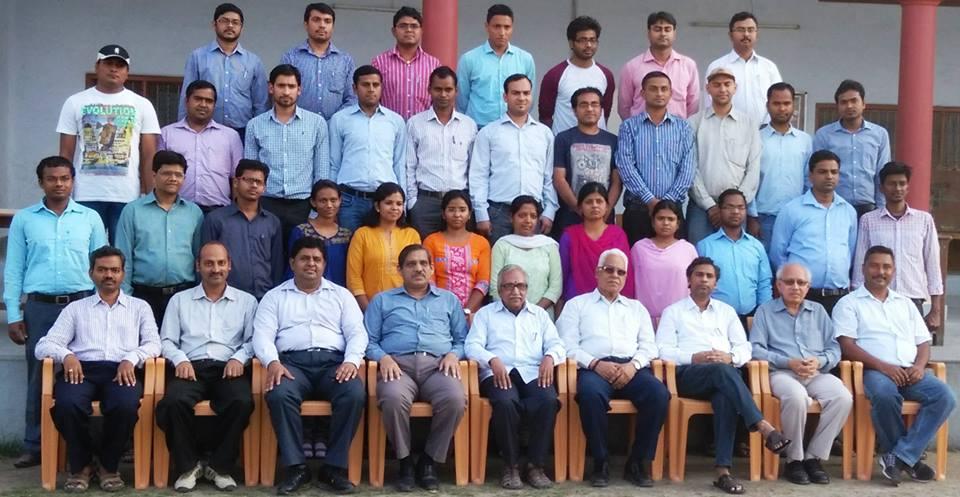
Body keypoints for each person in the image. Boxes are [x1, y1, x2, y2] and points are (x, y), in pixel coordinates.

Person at [3, 156, 107, 469]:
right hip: (40, 307)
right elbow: (14, 269)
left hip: (83, 304)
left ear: (73, 181)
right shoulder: (25, 220)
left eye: (64, 178)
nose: (59, 184)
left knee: (89, 370)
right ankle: (34, 445)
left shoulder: (90, 218)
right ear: (41, 182)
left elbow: (103, 265)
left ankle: (90, 445)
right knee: (39, 376)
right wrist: (14, 314)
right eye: (52, 178)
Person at [656, 257, 791, 495]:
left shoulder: (726, 312)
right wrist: (694, 357)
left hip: (725, 376)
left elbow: (744, 348)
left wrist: (730, 357)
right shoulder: (673, 312)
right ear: (689, 280)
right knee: (723, 373)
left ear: (715, 283)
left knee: (725, 394)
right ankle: (763, 426)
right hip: (689, 376)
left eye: (709, 276)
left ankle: (723, 472)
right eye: (699, 275)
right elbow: (662, 350)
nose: (704, 280)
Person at [34, 246, 161, 493]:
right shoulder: (76, 309)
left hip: (122, 370)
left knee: (125, 405)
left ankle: (108, 466)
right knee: (67, 404)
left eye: (114, 270)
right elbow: (44, 345)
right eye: (102, 270)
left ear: (123, 273)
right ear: (91, 273)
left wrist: (132, 358)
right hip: (81, 370)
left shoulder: (139, 307)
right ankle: (82, 466)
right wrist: (67, 355)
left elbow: (154, 344)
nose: (109, 275)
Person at [253, 237, 367, 495]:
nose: (311, 264)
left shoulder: (341, 295)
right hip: (292, 365)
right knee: (279, 394)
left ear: (325, 264)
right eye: (305, 258)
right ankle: (296, 468)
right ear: (292, 262)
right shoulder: (275, 297)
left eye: (317, 259)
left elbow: (357, 333)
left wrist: (351, 361)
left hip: (334, 364)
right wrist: (272, 362)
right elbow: (262, 336)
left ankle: (334, 468)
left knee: (353, 393)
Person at [835, 245, 957, 485]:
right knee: (885, 395)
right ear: (863, 268)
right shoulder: (849, 303)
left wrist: (919, 366)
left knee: (945, 397)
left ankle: (899, 457)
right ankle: (909, 459)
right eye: (875, 266)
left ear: (893, 271)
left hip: (910, 371)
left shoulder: (905, 303)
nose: (881, 271)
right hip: (873, 371)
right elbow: (846, 345)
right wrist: (883, 367)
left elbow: (923, 342)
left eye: (886, 267)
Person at [557, 248, 668, 488]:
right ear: (597, 272)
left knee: (659, 394)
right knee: (589, 395)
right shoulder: (577, 305)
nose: (615, 275)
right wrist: (595, 364)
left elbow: (649, 346)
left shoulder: (636, 308)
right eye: (609, 270)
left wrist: (632, 366)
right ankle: (601, 461)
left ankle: (637, 462)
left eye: (621, 272)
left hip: (631, 367)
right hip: (593, 368)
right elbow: (565, 345)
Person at [155, 241, 258, 492]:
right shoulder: (180, 300)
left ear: (229, 265)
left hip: (228, 367)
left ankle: (220, 467)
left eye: (221, 263)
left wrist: (239, 358)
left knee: (242, 401)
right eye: (209, 263)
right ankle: (188, 466)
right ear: (198, 266)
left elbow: (254, 340)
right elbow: (166, 340)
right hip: (191, 367)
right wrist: (180, 359)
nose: (215, 269)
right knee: (173, 402)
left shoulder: (246, 301)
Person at [364, 245, 468, 491]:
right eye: (411, 264)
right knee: (392, 398)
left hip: (438, 367)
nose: (418, 268)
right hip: (397, 367)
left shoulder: (449, 300)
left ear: (432, 268)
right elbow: (368, 340)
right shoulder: (382, 300)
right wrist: (383, 358)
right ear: (400, 270)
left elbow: (463, 340)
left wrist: (454, 354)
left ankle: (428, 462)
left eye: (423, 263)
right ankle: (405, 462)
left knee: (455, 399)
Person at [750, 262, 852, 485]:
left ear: (808, 286)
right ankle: (794, 459)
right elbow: (755, 349)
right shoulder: (765, 311)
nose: (795, 287)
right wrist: (788, 362)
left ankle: (813, 457)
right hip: (781, 373)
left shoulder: (818, 311)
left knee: (843, 397)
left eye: (801, 282)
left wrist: (819, 361)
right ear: (779, 285)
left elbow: (834, 349)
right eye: (789, 282)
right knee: (796, 397)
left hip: (815, 373)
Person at [465, 265, 566, 490]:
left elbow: (557, 344)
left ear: (527, 289)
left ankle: (535, 466)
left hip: (532, 372)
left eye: (520, 286)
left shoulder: (539, 315)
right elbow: (472, 345)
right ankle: (510, 466)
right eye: (509, 286)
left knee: (548, 401)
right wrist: (492, 359)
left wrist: (550, 357)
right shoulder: (486, 314)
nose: (515, 291)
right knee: (505, 402)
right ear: (499, 289)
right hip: (498, 372)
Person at [57, 44, 160, 242]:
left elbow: (149, 155)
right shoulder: (75, 102)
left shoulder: (142, 104)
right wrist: (65, 192)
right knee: (84, 250)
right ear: (97, 66)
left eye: (119, 66)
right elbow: (65, 154)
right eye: (109, 63)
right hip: (85, 194)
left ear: (127, 72)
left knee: (121, 252)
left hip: (126, 195)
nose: (114, 69)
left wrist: (150, 196)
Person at [115, 151, 203, 325]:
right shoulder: (132, 211)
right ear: (154, 175)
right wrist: (125, 297)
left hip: (184, 295)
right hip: (143, 295)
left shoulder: (194, 212)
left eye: (178, 175)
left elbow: (199, 256)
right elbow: (124, 257)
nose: (173, 178)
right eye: (167, 173)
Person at [244, 64, 329, 243]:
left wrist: (316, 210)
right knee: (266, 254)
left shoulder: (317, 123)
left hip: (303, 204)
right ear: (271, 88)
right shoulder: (255, 125)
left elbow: (321, 171)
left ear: (299, 90)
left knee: (301, 255)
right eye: (281, 86)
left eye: (291, 86)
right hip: (267, 203)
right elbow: (250, 173)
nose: (286, 91)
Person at [853, 161, 943, 330]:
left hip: (912, 299)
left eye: (902, 183)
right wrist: (856, 301)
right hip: (875, 299)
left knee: (911, 346)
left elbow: (932, 265)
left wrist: (936, 309)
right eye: (892, 184)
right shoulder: (868, 220)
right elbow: (860, 264)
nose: (898, 188)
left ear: (908, 187)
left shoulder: (924, 220)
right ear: (881, 188)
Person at [469, 74, 557, 244]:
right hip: (498, 213)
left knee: (531, 260)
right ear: (505, 96)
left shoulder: (544, 134)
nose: (522, 98)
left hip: (534, 213)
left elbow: (549, 177)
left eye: (526, 93)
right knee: (499, 260)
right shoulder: (488, 133)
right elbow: (478, 176)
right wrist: (481, 213)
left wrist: (549, 211)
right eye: (516, 93)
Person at [770, 150, 857, 315]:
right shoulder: (792, 210)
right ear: (810, 176)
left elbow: (850, 253)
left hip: (838, 297)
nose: (829, 176)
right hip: (802, 295)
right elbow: (777, 253)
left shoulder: (848, 211)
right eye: (822, 172)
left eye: (834, 172)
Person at [616, 71, 696, 245]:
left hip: (672, 211)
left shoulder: (683, 128)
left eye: (664, 89)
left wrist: (666, 203)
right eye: (653, 89)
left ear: (671, 93)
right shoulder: (628, 127)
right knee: (637, 257)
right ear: (643, 93)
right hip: (638, 209)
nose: (659, 93)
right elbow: (625, 166)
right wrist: (650, 200)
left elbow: (688, 169)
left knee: (674, 259)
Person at [687, 67, 762, 245]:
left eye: (727, 84)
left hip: (736, 209)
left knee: (734, 254)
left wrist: (735, 204)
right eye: (717, 85)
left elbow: (753, 167)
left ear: (735, 88)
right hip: (701, 207)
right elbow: (690, 168)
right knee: (699, 255)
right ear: (708, 88)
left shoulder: (749, 124)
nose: (722, 89)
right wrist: (710, 205)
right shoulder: (694, 122)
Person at [329, 65, 407, 232]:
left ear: (381, 87)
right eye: (365, 85)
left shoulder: (395, 121)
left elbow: (399, 164)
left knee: (382, 246)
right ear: (354, 88)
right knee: (349, 245)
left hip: (385, 200)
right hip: (349, 200)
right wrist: (332, 200)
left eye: (375, 85)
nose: (371, 89)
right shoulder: (340, 120)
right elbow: (333, 164)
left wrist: (402, 203)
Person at [177, 3, 269, 139]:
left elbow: (260, 103)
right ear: (214, 24)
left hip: (243, 131)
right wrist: (182, 130)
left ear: (241, 27)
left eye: (235, 22)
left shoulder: (254, 62)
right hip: (205, 129)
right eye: (224, 21)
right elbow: (186, 96)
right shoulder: (198, 57)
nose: (230, 25)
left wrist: (260, 133)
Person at [406, 66, 478, 238]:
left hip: (459, 204)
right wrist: (412, 203)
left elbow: (474, 169)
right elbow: (409, 166)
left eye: (448, 89)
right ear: (429, 90)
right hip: (426, 203)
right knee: (424, 252)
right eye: (438, 89)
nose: (443, 94)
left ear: (456, 91)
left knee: (456, 252)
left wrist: (471, 202)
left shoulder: (468, 125)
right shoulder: (415, 123)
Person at [201, 159, 284, 300]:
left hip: (264, 297)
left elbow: (277, 265)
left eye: (259, 182)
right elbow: (204, 261)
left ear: (264, 187)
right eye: (248, 180)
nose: (254, 185)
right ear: (235, 182)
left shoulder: (272, 222)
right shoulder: (216, 219)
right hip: (228, 298)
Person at [162, 80, 244, 213]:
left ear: (214, 105)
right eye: (198, 99)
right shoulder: (167, 134)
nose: (203, 104)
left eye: (209, 101)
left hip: (218, 211)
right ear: (186, 101)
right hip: (176, 210)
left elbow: (238, 178)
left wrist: (236, 213)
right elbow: (158, 174)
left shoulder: (230, 136)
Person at [813, 80, 891, 217]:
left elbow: (882, 173)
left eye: (854, 101)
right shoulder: (824, 135)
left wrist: (882, 209)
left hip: (869, 208)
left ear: (864, 104)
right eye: (844, 102)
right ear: (837, 106)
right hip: (834, 207)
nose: (849, 106)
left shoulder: (879, 134)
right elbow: (815, 173)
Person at [551, 88, 621, 237]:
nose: (589, 109)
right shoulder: (563, 139)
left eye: (594, 104)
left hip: (604, 218)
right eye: (583, 105)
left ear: (601, 110)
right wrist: (579, 208)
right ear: (574, 110)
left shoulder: (613, 141)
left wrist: (606, 209)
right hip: (570, 217)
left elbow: (617, 181)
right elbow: (559, 178)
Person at [696, 189, 772, 322]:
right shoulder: (704, 246)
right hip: (715, 319)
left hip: (751, 317)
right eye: (729, 207)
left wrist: (764, 315)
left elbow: (764, 283)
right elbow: (698, 284)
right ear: (719, 210)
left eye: (740, 207)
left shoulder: (756, 246)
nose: (736, 212)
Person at [753, 82, 812, 252]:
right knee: (764, 264)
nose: (782, 108)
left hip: (796, 217)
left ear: (793, 105)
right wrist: (752, 217)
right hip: (763, 217)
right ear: (767, 105)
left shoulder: (805, 140)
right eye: (776, 103)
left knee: (792, 265)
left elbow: (808, 180)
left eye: (786, 103)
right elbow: (749, 180)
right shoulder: (756, 138)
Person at [456, 4, 536, 127]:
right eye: (497, 26)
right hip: (478, 128)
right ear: (487, 26)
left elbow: (528, 97)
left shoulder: (525, 59)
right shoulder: (469, 59)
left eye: (507, 27)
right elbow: (461, 101)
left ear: (512, 28)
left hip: (513, 128)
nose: (502, 32)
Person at [346, 182, 421, 311]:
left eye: (399, 204)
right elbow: (354, 277)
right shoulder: (362, 234)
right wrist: (369, 310)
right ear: (377, 206)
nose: (394, 208)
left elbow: (418, 272)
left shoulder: (411, 235)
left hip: (407, 308)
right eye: (389, 203)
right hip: (371, 306)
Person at [538, 16, 615, 134]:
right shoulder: (555, 75)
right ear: (571, 43)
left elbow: (605, 112)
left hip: (599, 144)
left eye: (593, 40)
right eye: (583, 40)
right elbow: (545, 116)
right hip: (564, 143)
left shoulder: (606, 75)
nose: (588, 45)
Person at [280, 2, 356, 119]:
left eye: (327, 21)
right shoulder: (291, 58)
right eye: (316, 20)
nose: (322, 25)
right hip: (299, 126)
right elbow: (283, 94)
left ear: (333, 26)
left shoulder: (345, 61)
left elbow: (352, 98)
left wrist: (335, 121)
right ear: (306, 24)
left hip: (335, 126)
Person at [559, 183, 633, 303]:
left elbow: (625, 272)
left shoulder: (617, 234)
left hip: (610, 300)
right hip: (576, 299)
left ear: (607, 206)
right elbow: (562, 273)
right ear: (580, 207)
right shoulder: (569, 236)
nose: (594, 205)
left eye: (599, 201)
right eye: (589, 202)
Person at [704, 12, 782, 125]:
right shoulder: (717, 66)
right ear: (730, 35)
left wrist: (767, 128)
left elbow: (778, 99)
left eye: (751, 30)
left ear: (757, 34)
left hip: (762, 130)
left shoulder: (769, 67)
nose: (746, 34)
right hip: (726, 129)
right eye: (740, 30)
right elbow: (708, 102)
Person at [618, 12, 699, 120]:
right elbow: (624, 107)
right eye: (657, 29)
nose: (663, 34)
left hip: (678, 129)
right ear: (648, 33)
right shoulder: (632, 67)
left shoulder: (688, 65)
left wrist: (682, 126)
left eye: (667, 29)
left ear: (674, 33)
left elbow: (693, 105)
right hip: (639, 129)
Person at [490, 197, 562, 317]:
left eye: (533, 216)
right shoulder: (502, 245)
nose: (528, 220)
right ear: (511, 217)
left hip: (542, 315)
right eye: (522, 215)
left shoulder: (549, 246)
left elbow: (555, 287)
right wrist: (515, 312)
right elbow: (494, 286)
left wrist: (533, 312)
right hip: (507, 315)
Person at [422, 190, 491, 313]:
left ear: (469, 214)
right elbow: (429, 280)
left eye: (462, 210)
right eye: (451, 210)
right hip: (437, 310)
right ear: (443, 214)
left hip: (472, 312)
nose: (457, 214)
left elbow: (483, 282)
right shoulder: (431, 241)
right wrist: (441, 310)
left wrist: (467, 310)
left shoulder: (481, 243)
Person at [630, 200, 697, 321]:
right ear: (652, 222)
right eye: (660, 218)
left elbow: (695, 283)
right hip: (644, 319)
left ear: (678, 223)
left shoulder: (688, 249)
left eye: (671, 219)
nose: (666, 223)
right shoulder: (639, 248)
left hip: (680, 319)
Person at [371, 6, 440, 120]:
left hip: (423, 127)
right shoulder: (379, 63)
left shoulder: (433, 64)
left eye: (414, 26)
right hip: (389, 126)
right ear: (394, 31)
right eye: (403, 26)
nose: (409, 30)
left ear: (422, 31)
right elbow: (373, 98)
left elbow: (438, 100)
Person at [287, 180, 352, 287]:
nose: (329, 205)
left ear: (340, 201)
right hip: (306, 290)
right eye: (323, 201)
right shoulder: (301, 231)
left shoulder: (346, 235)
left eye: (333, 200)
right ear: (313, 202)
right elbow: (292, 267)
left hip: (339, 292)